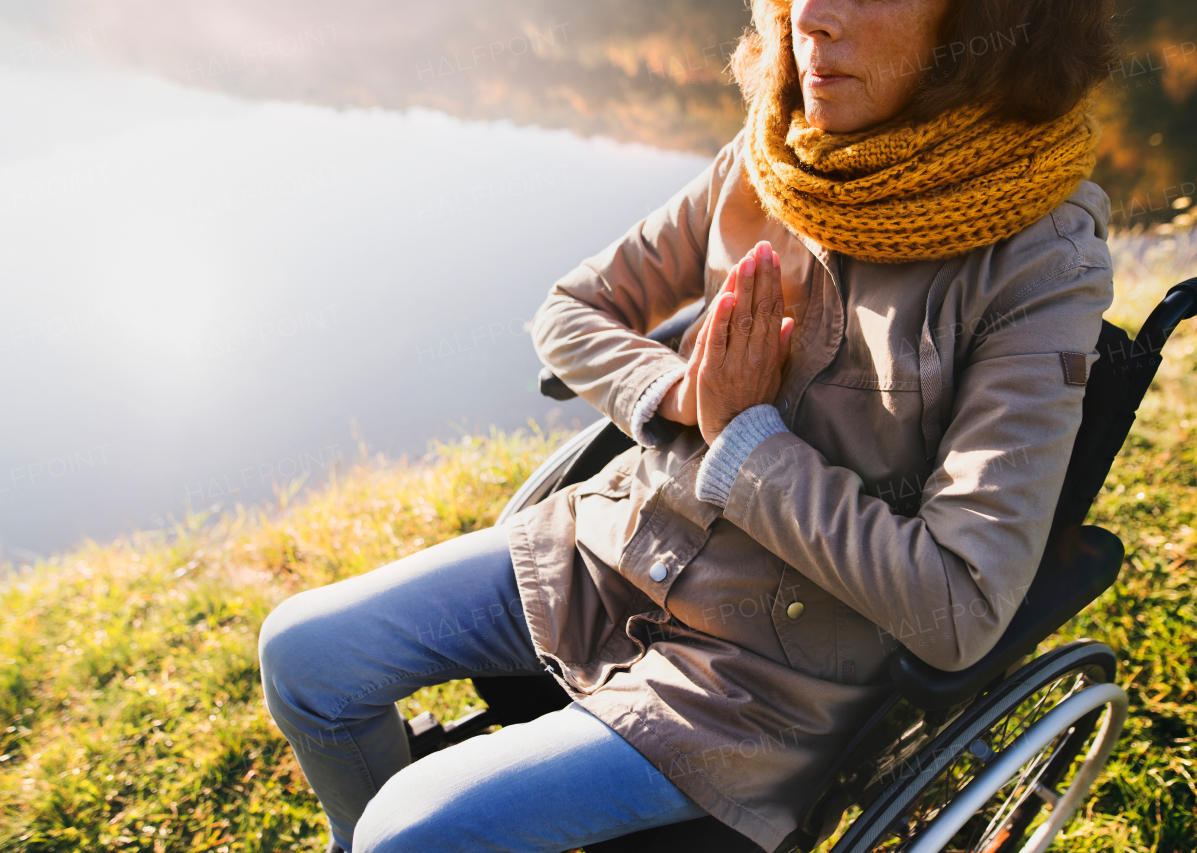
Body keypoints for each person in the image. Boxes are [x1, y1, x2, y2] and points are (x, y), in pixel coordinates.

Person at [258, 0, 1120, 850]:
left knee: (410, 829)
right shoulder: (774, 158)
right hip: (617, 546)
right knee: (305, 656)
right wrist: (680, 392)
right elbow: (571, 310)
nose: (813, 16)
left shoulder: (1042, 261)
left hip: (762, 680)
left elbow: (961, 601)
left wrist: (745, 438)